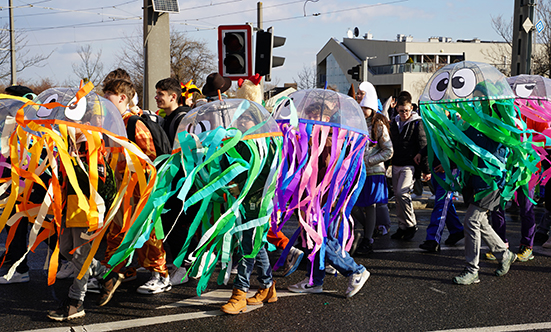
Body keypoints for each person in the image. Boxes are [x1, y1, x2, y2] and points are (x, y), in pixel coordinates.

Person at [47, 106, 120, 321]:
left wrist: (75, 162)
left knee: (80, 254)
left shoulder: (92, 143)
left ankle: (75, 302)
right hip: (69, 204)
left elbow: (100, 181)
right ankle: (107, 274)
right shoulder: (68, 143)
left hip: (85, 206)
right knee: (68, 249)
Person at [102, 79, 172, 296]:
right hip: (120, 190)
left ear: (122, 98)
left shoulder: (133, 123)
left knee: (149, 233)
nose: (105, 102)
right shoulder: (111, 123)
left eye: (109, 97)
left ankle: (161, 275)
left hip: (140, 190)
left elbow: (150, 158)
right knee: (117, 232)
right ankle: (119, 271)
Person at [452, 125, 517, 285]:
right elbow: (461, 142)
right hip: (475, 182)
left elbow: (503, 148)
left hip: (491, 183)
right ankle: (504, 254)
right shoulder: (473, 121)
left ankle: (472, 270)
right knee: (481, 222)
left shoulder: (499, 122)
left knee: (472, 221)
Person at [352, 82, 393, 255]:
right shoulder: (356, 122)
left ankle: (368, 240)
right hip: (357, 172)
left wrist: (367, 161)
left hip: (373, 173)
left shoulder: (379, 124)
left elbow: (389, 151)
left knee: (370, 207)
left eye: (363, 97)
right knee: (352, 205)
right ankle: (369, 229)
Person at [389, 94, 429, 240]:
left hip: (410, 165)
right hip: (396, 163)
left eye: (406, 110)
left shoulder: (417, 123)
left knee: (402, 193)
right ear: (397, 109)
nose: (404, 114)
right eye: (401, 111)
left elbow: (423, 145)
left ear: (411, 108)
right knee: (397, 198)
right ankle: (402, 226)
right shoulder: (394, 122)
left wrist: (426, 170)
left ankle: (411, 225)